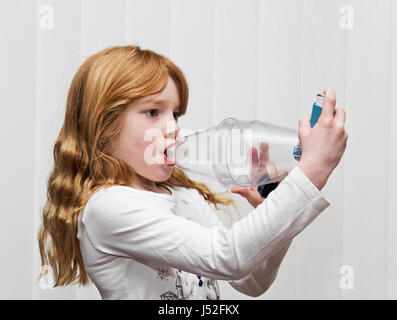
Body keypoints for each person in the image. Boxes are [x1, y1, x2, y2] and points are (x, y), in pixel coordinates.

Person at [37, 45, 348, 300]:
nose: (173, 128)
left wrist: (275, 208)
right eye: (152, 112)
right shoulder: (108, 207)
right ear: (102, 124)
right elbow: (229, 258)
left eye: (175, 113)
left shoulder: (184, 197)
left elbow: (249, 281)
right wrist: (310, 172)